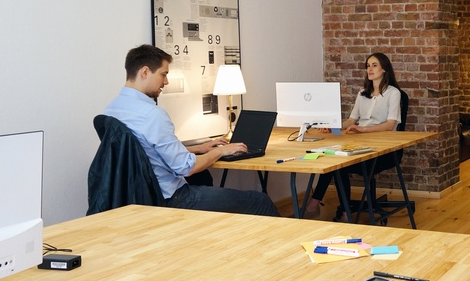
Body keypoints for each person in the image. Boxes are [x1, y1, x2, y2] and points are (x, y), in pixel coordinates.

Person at [103, 44, 279, 216]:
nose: (166, 81)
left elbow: (143, 150)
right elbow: (186, 167)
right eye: (163, 74)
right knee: (259, 201)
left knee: (205, 179)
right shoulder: (152, 114)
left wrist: (197, 148)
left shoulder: (112, 110)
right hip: (170, 198)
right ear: (145, 72)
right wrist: (222, 151)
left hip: (137, 195)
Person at [303, 52, 401, 219]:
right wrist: (332, 125)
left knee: (339, 164)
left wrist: (363, 130)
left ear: (384, 69)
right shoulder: (363, 94)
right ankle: (340, 209)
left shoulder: (393, 93)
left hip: (383, 150)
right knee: (334, 160)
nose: (370, 69)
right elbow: (351, 120)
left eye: (374, 65)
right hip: (359, 144)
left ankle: (329, 208)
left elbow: (390, 124)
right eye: (368, 66)